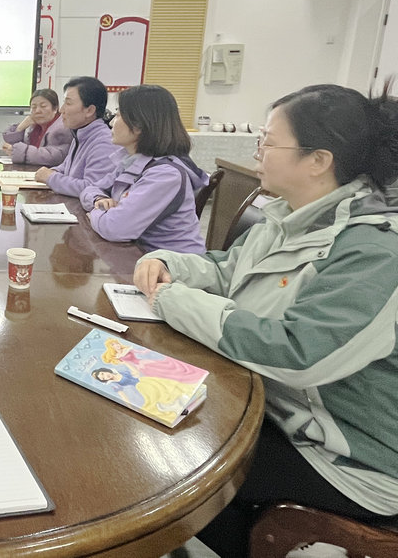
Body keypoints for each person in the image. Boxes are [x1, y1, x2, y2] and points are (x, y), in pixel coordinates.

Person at [133, 83, 398, 557]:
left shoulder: (373, 251)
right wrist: (169, 264)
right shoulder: (287, 216)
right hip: (271, 407)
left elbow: (298, 353)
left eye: (268, 141)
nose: (257, 151)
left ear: (318, 160)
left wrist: (171, 299)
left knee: (165, 469)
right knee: (143, 415)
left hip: (347, 456)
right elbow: (228, 271)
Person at [80, 85, 208, 254]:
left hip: (172, 265)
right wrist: (99, 199)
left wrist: (94, 213)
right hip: (141, 255)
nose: (111, 123)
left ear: (139, 125)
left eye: (118, 115)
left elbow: (115, 228)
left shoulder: (165, 175)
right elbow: (90, 189)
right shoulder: (134, 161)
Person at [34, 76, 117, 197]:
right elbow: (67, 167)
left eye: (68, 103)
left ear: (89, 110)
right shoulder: (81, 133)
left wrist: (51, 178)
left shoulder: (104, 142)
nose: (62, 110)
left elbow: (93, 188)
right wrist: (53, 171)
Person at [1, 88, 72, 165]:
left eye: (43, 106)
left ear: (55, 108)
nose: (37, 111)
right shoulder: (34, 127)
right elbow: (14, 149)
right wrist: (21, 127)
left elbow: (55, 157)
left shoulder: (63, 128)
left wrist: (21, 151)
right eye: (34, 107)